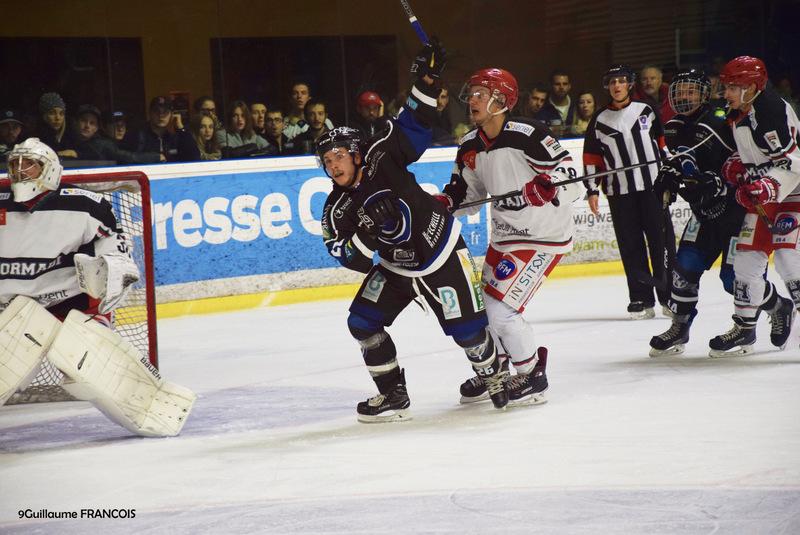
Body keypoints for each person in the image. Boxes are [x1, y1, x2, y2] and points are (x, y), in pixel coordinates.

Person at [318, 39, 509, 422]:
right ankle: (393, 394)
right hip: (396, 268)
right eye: (327, 160)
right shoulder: (336, 209)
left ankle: (493, 374)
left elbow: (414, 122)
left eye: (339, 156)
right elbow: (347, 256)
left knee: (469, 333)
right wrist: (371, 233)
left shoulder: (381, 154)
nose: (333, 165)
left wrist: (428, 79)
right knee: (361, 323)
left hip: (441, 252)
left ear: (356, 153)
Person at [0, 138, 195, 436]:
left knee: (86, 359)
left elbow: (118, 256)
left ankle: (156, 410)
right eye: (15, 164)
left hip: (69, 307)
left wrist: (108, 272)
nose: (20, 170)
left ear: (49, 170)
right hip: (11, 309)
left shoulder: (85, 205)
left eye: (30, 164)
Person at [438, 67, 581, 406]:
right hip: (504, 238)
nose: (472, 100)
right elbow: (467, 194)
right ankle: (496, 368)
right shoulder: (469, 145)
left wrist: (549, 188)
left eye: (481, 94)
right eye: (472, 94)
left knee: (501, 312)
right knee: (481, 311)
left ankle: (532, 375)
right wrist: (445, 203)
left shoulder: (529, 134)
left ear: (501, 101)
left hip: (543, 236)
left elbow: (570, 176)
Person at [648, 69, 748, 356]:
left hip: (737, 214)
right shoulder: (673, 126)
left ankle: (763, 317)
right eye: (680, 91)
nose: (684, 96)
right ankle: (680, 327)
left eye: (690, 91)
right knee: (684, 269)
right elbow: (681, 161)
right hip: (703, 214)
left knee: (735, 279)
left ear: (704, 94)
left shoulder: (723, 119)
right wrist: (669, 174)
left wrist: (721, 182)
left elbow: (745, 161)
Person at [707, 55, 800, 356]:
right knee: (745, 261)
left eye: (732, 87)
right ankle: (745, 329)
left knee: (787, 258)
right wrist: (739, 165)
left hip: (794, 192)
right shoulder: (740, 111)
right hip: (767, 194)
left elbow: (794, 163)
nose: (726, 93)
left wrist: (765, 185)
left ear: (751, 87)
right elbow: (758, 154)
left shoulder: (771, 111)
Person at [583, 64, 675, 319]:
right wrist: (592, 190)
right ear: (607, 86)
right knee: (631, 246)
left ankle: (669, 296)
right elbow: (591, 158)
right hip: (620, 193)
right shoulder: (599, 120)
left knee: (662, 243)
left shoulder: (646, 109)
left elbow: (663, 145)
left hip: (653, 188)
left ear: (630, 84)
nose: (617, 85)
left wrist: (670, 176)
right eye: (613, 81)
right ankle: (641, 299)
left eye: (621, 80)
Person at [73, 105, 162, 164]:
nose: (120, 129)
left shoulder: (122, 143)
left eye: (123, 124)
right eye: (115, 125)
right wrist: (156, 157)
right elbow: (127, 157)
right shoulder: (100, 143)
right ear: (104, 127)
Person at [135, 96, 195, 162]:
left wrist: (181, 128)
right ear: (150, 113)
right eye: (157, 111)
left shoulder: (173, 139)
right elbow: (126, 156)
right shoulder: (138, 136)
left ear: (171, 115)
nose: (161, 115)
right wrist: (154, 158)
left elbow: (194, 157)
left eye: (165, 112)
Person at [36, 92, 77, 159]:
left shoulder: (71, 136)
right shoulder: (36, 139)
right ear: (44, 116)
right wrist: (59, 153)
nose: (58, 118)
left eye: (61, 113)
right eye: (52, 113)